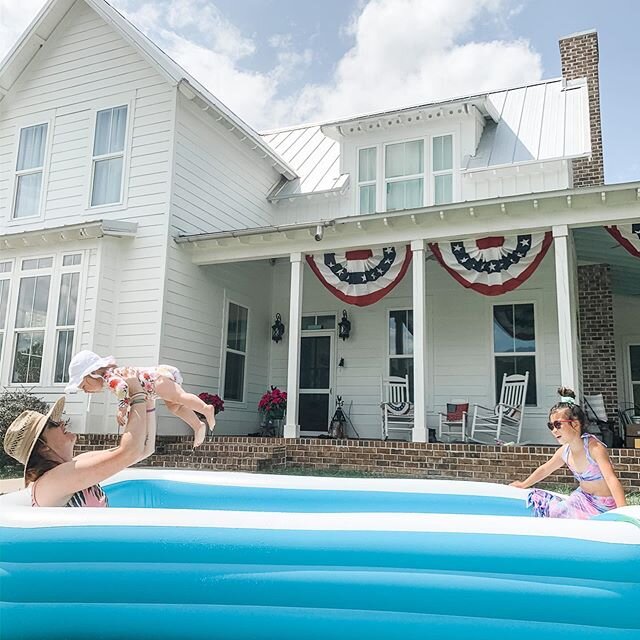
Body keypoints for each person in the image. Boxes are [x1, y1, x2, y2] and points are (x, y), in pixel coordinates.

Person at [3, 375, 155, 507]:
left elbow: (143, 450)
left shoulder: (77, 463)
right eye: (53, 424)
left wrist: (149, 403)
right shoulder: (52, 481)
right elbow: (129, 453)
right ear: (43, 447)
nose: (61, 422)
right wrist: (137, 395)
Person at [510, 387, 626, 518]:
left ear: (575, 425)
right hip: (582, 499)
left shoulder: (594, 448)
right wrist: (524, 484)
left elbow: (611, 479)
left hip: (603, 505)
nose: (554, 430)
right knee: (541, 503)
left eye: (558, 425)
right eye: (551, 426)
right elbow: (545, 469)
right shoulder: (565, 452)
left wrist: (623, 513)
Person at [65, 350, 215, 448]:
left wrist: (122, 408)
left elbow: (122, 387)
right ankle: (197, 425)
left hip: (156, 379)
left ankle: (205, 408)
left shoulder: (108, 377)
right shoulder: (109, 377)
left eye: (84, 386)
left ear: (92, 374)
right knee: (175, 406)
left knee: (180, 397)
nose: (85, 391)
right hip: (154, 386)